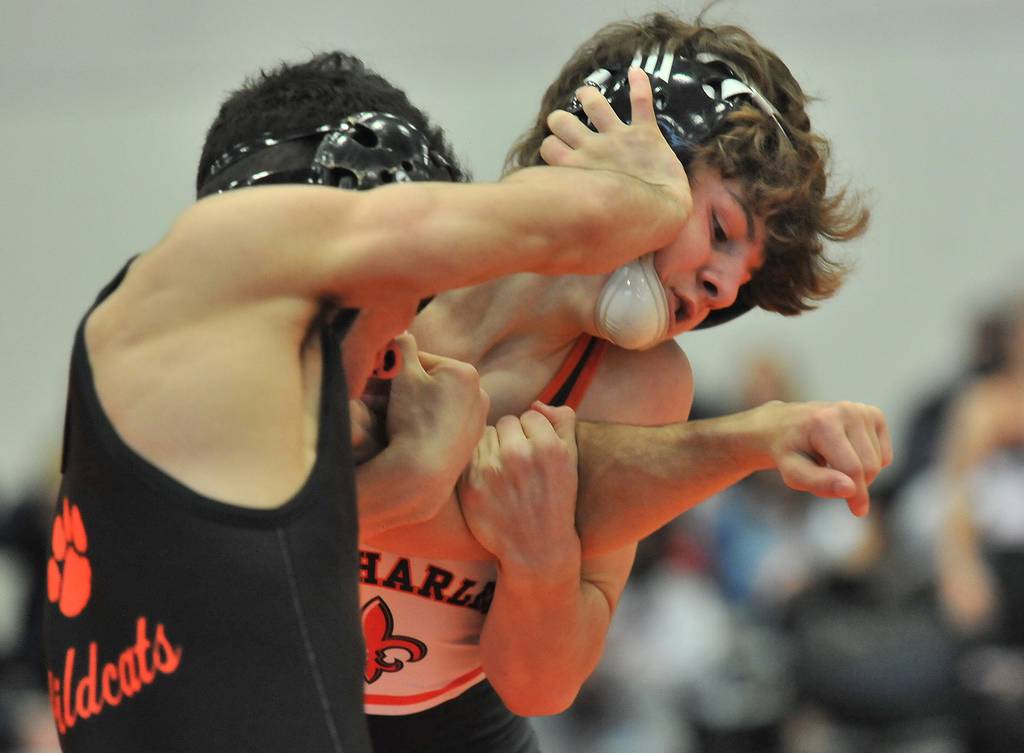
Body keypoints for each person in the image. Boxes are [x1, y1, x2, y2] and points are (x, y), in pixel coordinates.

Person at [42, 50, 695, 753]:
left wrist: (412, 481)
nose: (398, 345)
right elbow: (545, 225)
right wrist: (663, 196)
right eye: (406, 299)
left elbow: (230, 558)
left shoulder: (150, 341)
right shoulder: (219, 262)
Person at [353, 13, 890, 753]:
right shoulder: (403, 261)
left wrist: (542, 554)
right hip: (259, 697)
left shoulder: (641, 386)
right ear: (616, 148)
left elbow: (540, 686)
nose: (719, 286)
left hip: (452, 727)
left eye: (742, 280)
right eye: (722, 231)